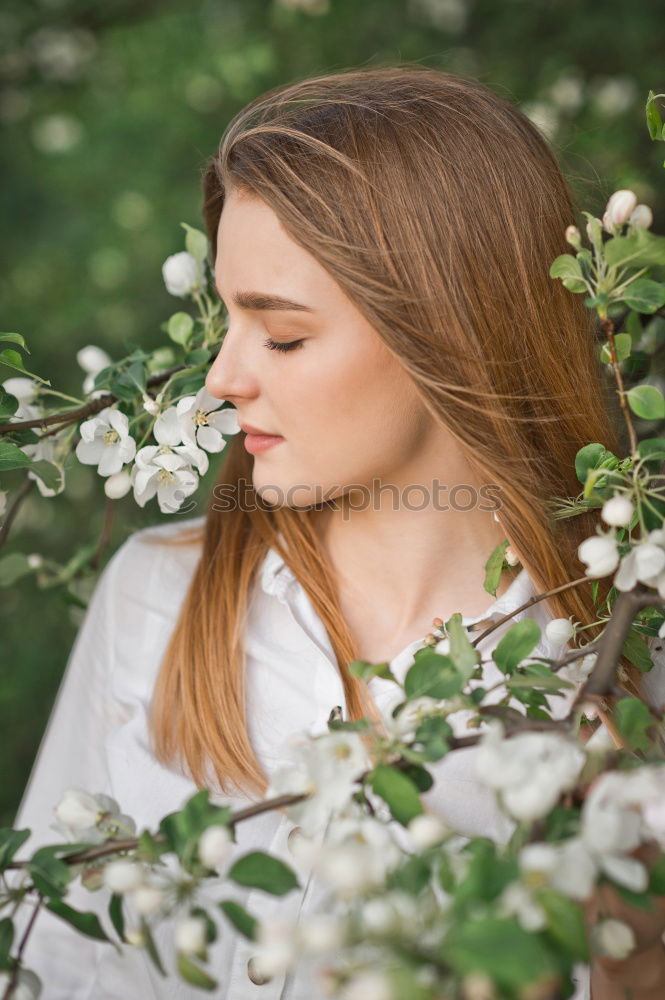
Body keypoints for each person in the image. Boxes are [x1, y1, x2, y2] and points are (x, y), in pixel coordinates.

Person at [10, 65, 665, 999]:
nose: (219, 380)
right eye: (227, 319)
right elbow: (51, 961)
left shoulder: (627, 663)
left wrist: (635, 975)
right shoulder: (156, 598)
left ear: (449, 334)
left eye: (281, 336)